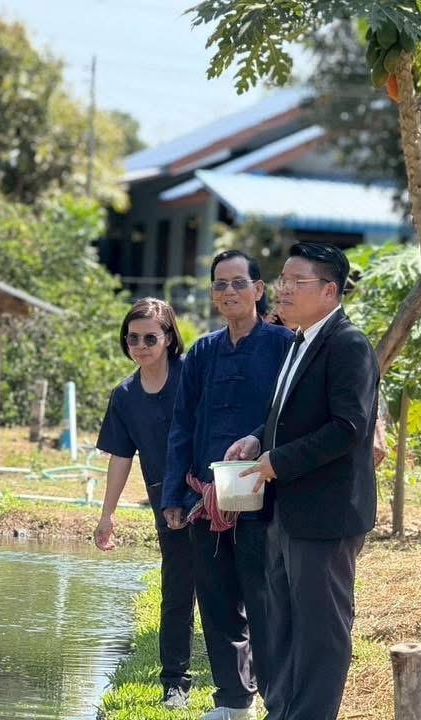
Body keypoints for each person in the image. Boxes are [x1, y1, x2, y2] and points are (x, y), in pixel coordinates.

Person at [225, 242, 380, 720]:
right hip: (289, 509)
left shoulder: (348, 344)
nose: (283, 289)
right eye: (283, 279)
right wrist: (256, 440)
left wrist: (277, 463)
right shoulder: (299, 339)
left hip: (326, 513)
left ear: (329, 291)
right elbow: (285, 415)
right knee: (284, 624)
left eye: (297, 282)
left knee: (321, 630)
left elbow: (348, 428)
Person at [162, 250, 293, 720]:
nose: (229, 292)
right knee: (216, 602)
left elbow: (292, 416)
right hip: (206, 498)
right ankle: (234, 703)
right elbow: (181, 425)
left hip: (265, 498)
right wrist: (175, 494)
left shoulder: (284, 345)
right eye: (221, 284)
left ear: (259, 290)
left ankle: (276, 702)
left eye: (239, 283)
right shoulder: (201, 351)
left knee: (264, 601)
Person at [94, 298, 196, 710]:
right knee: (176, 590)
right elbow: (122, 456)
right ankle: (175, 684)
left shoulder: (193, 377)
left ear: (169, 338)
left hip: (210, 493)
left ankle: (243, 681)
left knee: (226, 586)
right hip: (165, 499)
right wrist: (107, 515)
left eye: (150, 337)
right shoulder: (125, 395)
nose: (141, 345)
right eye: (132, 338)